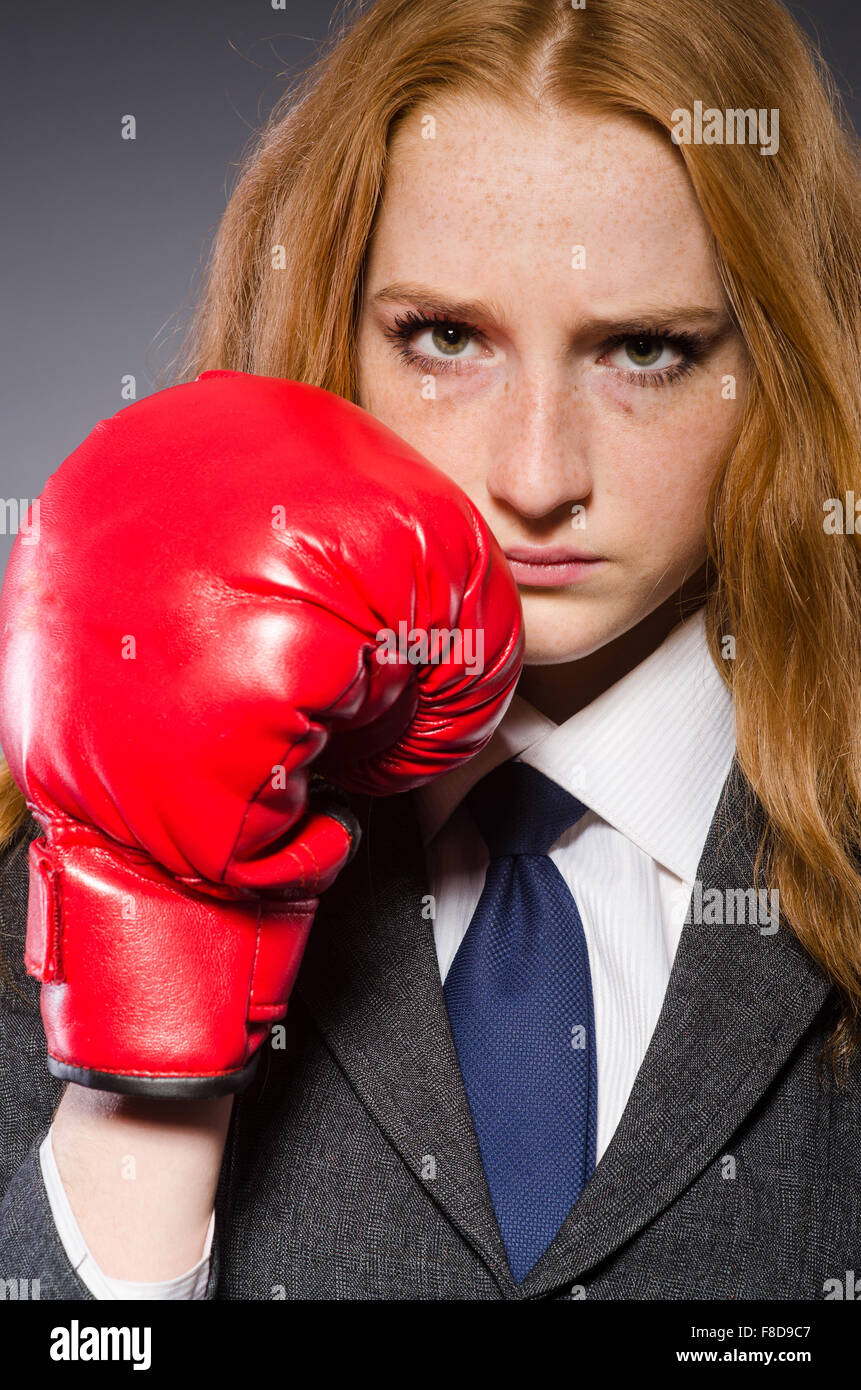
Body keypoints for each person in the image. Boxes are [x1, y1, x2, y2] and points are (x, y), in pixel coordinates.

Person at [0, 0, 859, 1301]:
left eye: (644, 350)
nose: (535, 475)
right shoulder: (74, 870)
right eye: (446, 339)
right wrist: (156, 1024)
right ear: (335, 332)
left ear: (779, 365)